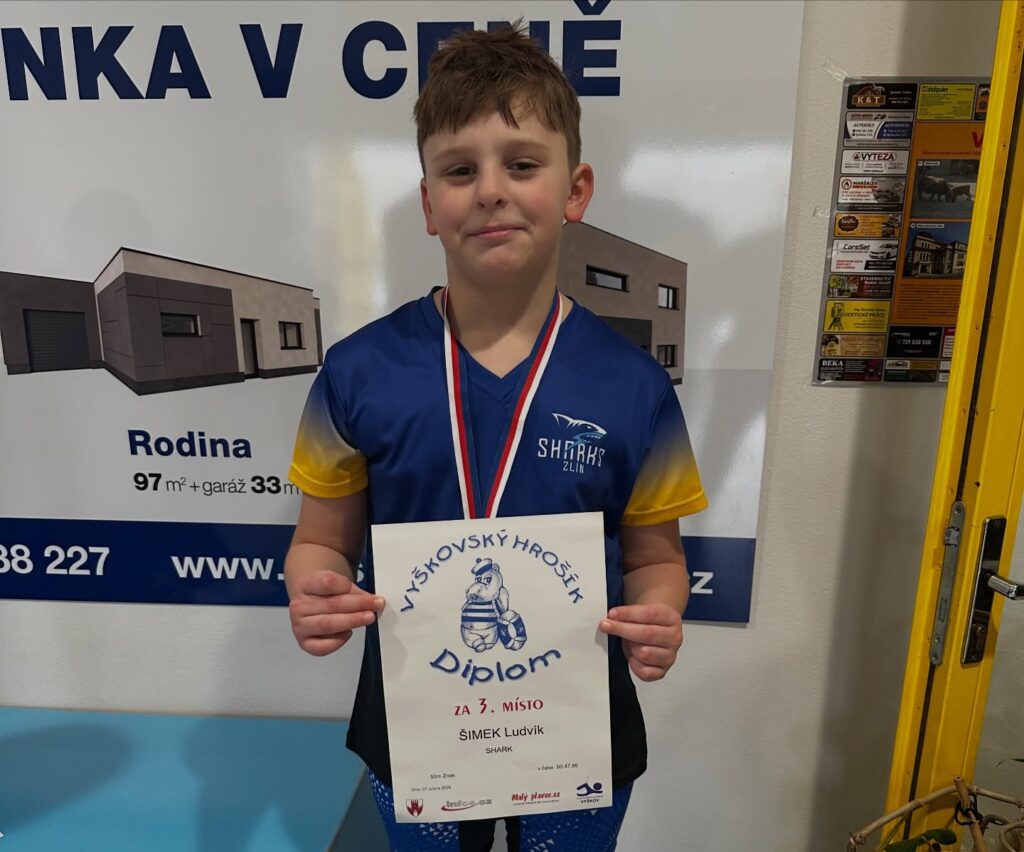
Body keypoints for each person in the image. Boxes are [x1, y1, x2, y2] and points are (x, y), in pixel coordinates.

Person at [285, 23, 707, 852]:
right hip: (418, 726)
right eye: (458, 170)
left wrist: (661, 612)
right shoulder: (356, 372)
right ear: (428, 204)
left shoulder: (635, 386)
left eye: (521, 164)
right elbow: (319, 544)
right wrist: (315, 591)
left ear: (575, 189)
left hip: (577, 729)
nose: (489, 191)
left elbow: (657, 560)